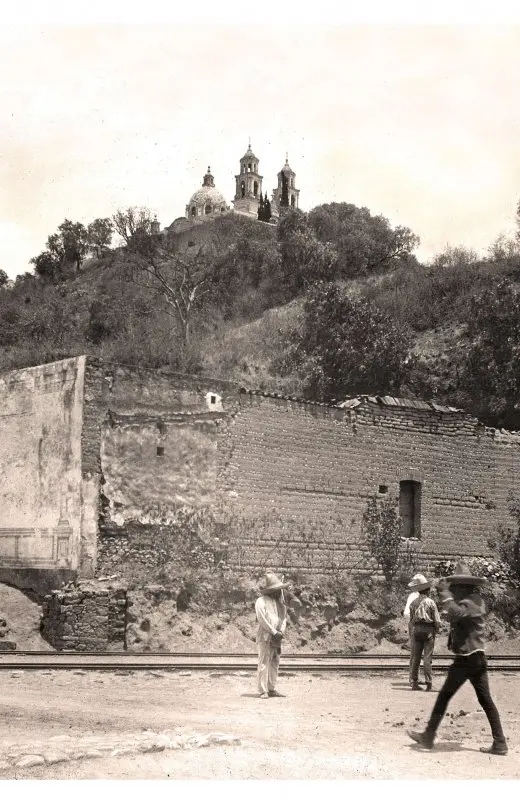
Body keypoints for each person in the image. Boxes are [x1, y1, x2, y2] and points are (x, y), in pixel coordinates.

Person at [407, 561, 508, 756]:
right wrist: (446, 595)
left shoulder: (472, 602)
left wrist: (445, 593)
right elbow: (455, 617)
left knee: (445, 696)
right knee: (485, 699)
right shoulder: (470, 600)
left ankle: (428, 736)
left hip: (468, 659)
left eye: (456, 586)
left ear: (464, 587)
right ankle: (500, 742)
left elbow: (455, 614)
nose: (453, 589)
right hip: (474, 658)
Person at [255, 571, 289, 699]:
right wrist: (274, 632)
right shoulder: (261, 601)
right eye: (277, 589)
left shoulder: (281, 604)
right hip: (265, 636)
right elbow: (262, 619)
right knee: (264, 662)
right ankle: (263, 690)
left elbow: (284, 619)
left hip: (277, 637)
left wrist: (281, 632)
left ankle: (271, 688)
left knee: (275, 662)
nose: (280, 592)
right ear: (271, 590)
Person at [408, 575, 441, 691]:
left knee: (416, 658)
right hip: (428, 632)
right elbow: (437, 620)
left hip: (416, 631)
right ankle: (429, 683)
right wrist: (435, 630)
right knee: (427, 658)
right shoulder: (431, 602)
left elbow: (411, 620)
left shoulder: (413, 603)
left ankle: (414, 683)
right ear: (427, 590)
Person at [404, 574, 426, 685]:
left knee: (418, 652)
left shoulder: (422, 597)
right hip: (415, 626)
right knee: (415, 652)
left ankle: (415, 677)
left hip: (420, 626)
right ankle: (412, 678)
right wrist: (414, 623)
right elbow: (406, 613)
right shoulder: (413, 596)